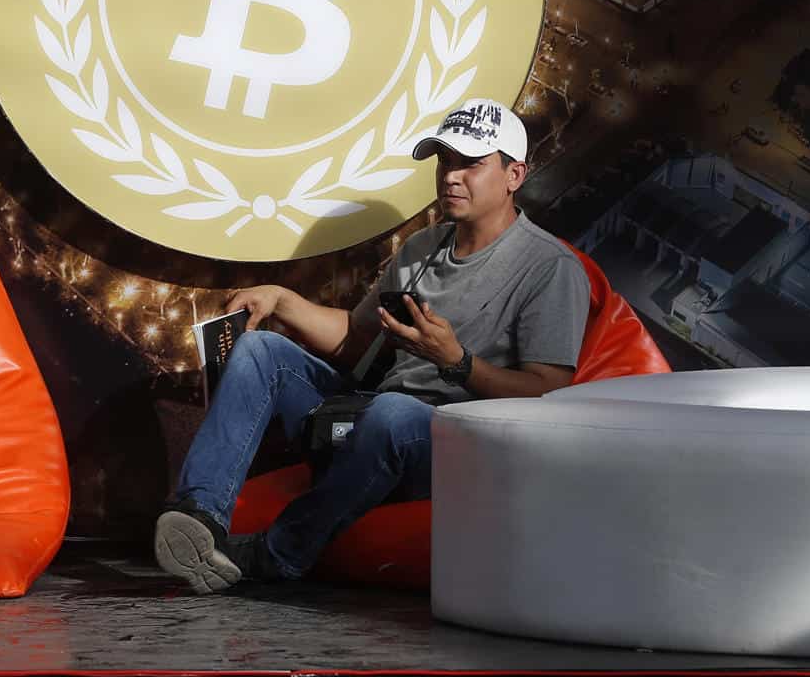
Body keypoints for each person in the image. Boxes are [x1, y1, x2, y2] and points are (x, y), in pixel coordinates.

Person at [152, 97, 591, 594]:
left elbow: (549, 392)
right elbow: (355, 339)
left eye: (471, 164)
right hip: (369, 427)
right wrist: (282, 301)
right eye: (445, 161)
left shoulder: (551, 267)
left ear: (515, 175)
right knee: (261, 351)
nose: (451, 176)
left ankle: (277, 554)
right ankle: (199, 518)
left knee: (395, 412)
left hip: (460, 443)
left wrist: (458, 363)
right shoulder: (423, 248)